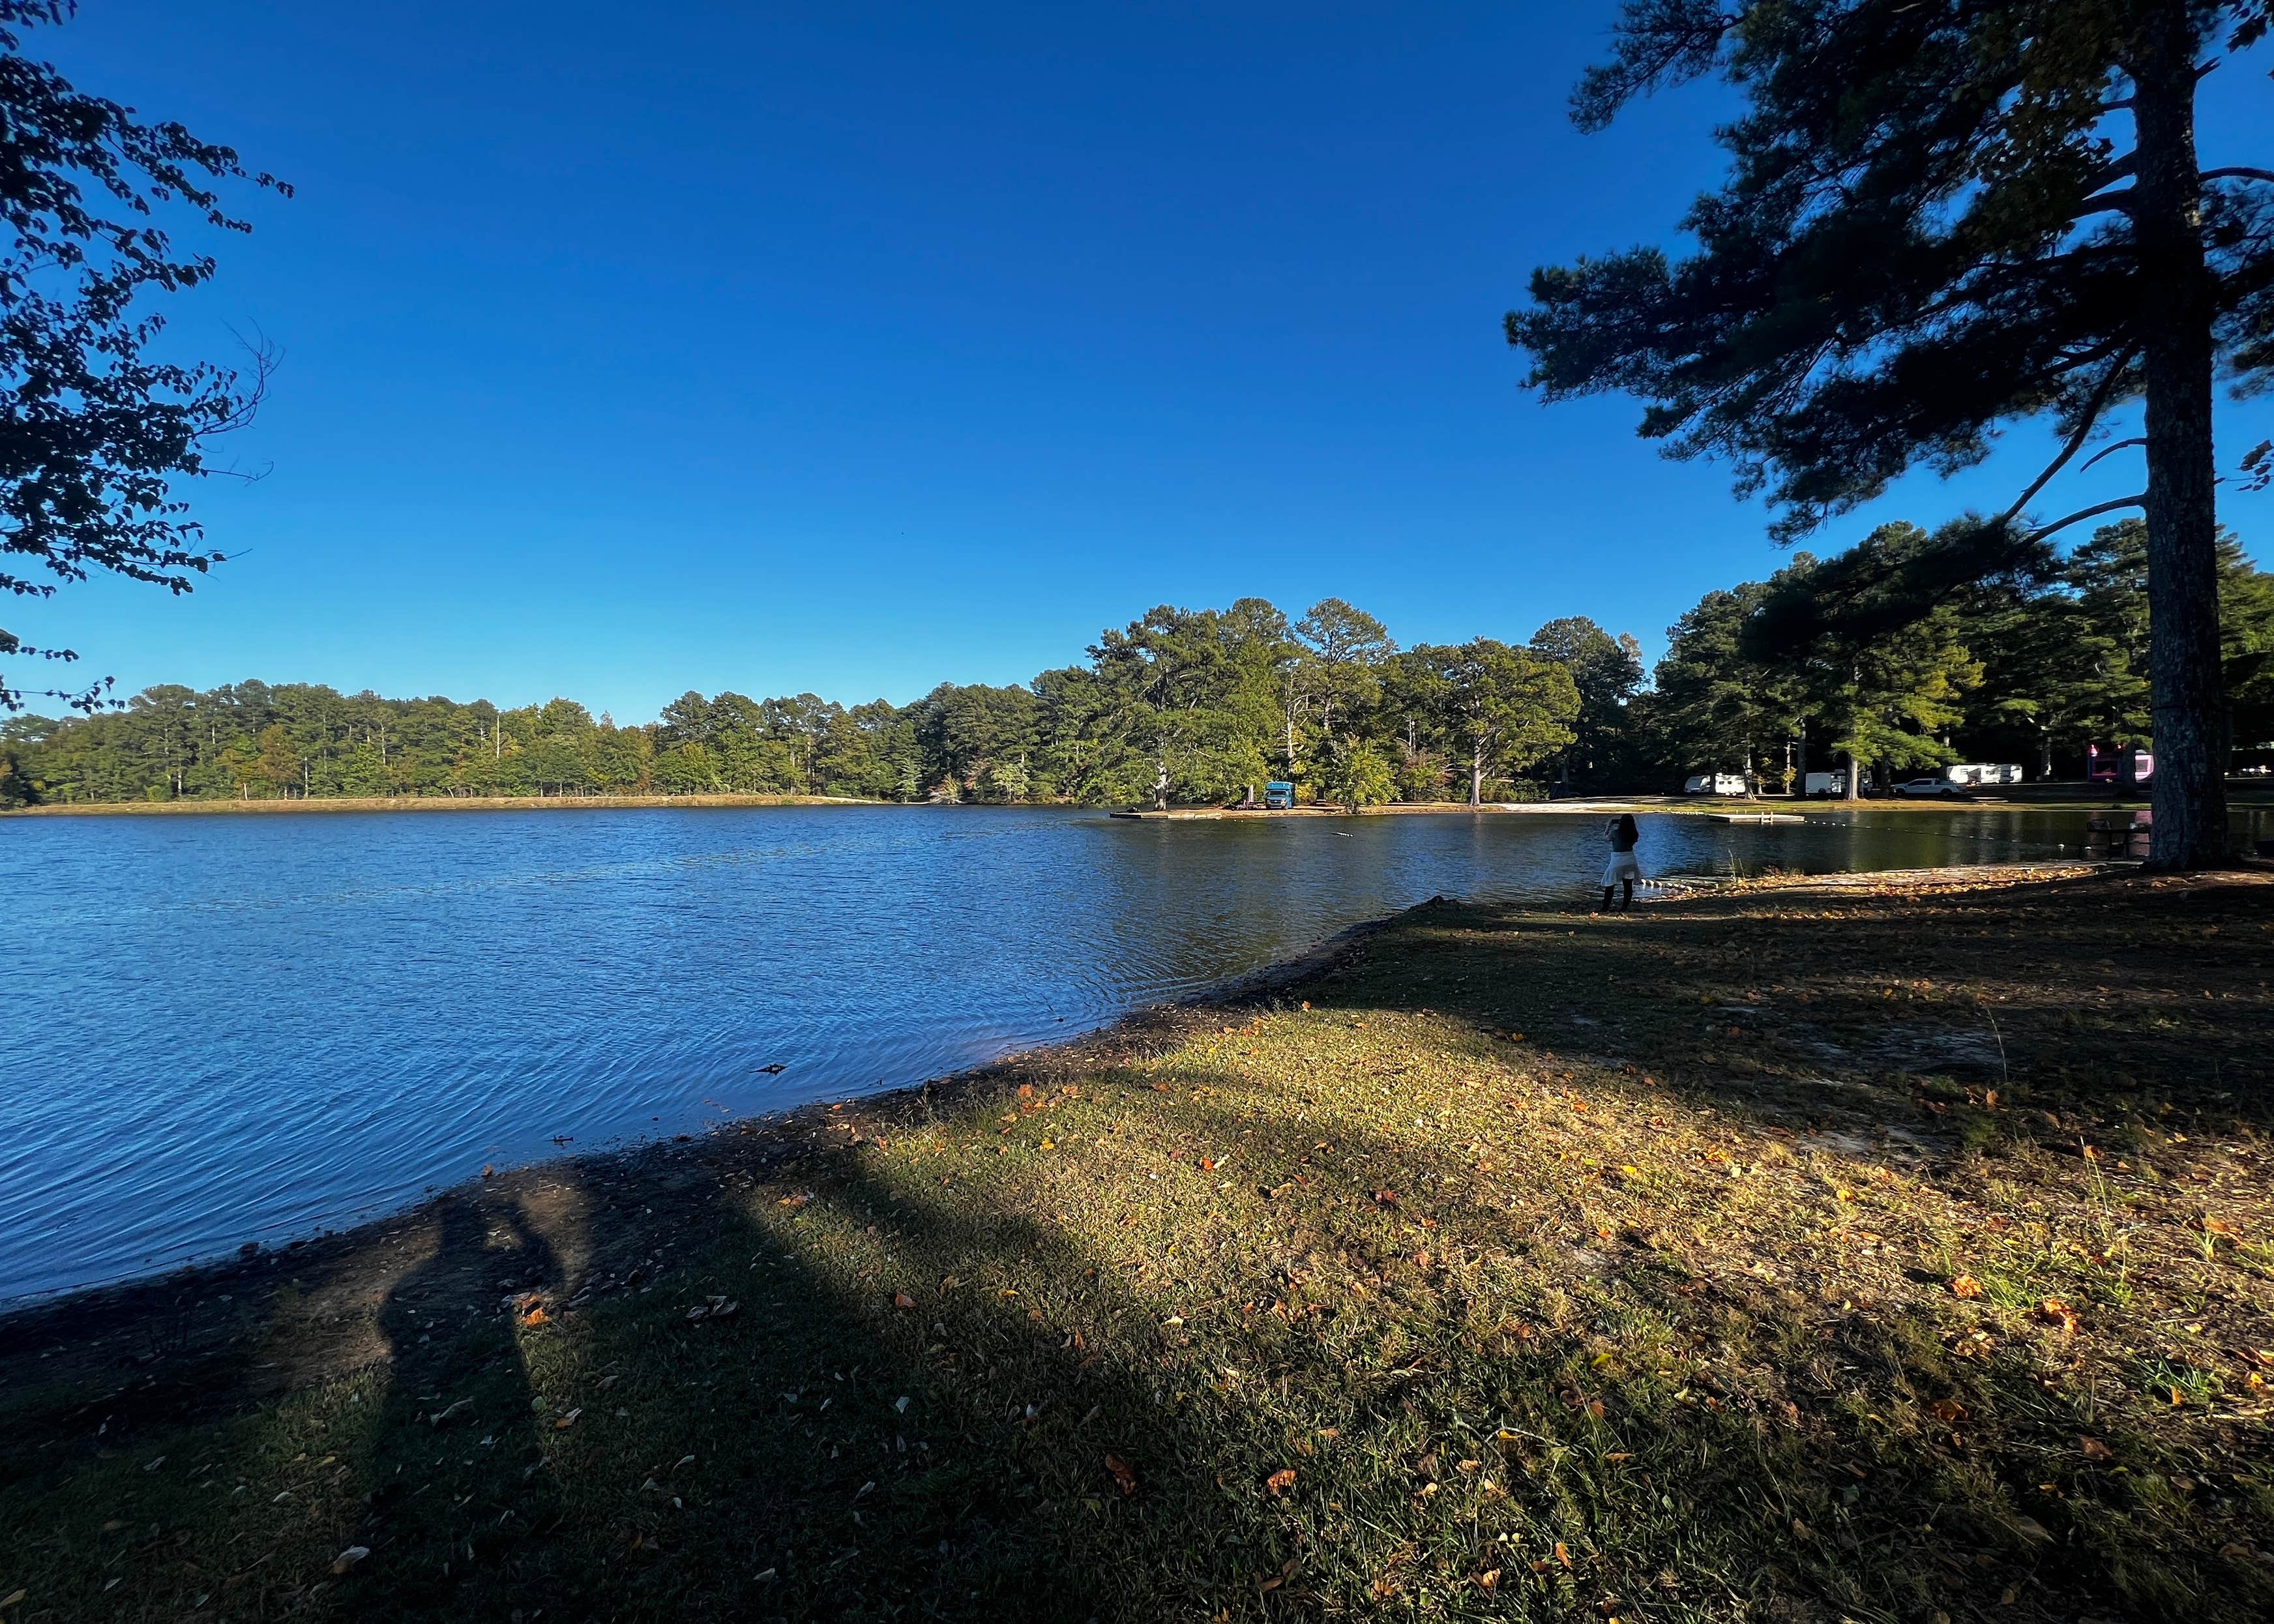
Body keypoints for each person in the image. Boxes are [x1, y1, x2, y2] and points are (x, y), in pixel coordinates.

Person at [1599, 813, 1642, 911]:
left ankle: (1605, 908)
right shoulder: (1634, 834)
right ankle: (1624, 907)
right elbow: (1628, 826)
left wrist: (1608, 826)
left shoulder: (1615, 833)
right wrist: (1623, 822)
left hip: (1618, 860)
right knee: (1628, 886)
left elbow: (1605, 838)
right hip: (1631, 860)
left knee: (1610, 885)